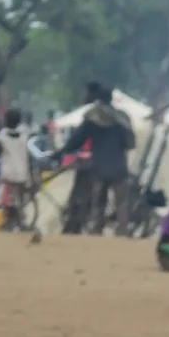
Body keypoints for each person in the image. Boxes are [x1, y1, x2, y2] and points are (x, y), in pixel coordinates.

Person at [58, 83, 135, 234]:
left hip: (100, 167)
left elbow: (77, 140)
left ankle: (96, 232)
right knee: (122, 205)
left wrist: (60, 152)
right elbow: (130, 144)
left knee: (98, 203)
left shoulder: (93, 117)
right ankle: (123, 233)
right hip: (119, 167)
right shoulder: (122, 117)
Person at [0, 106, 35, 235]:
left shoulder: (2, 135)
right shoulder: (24, 135)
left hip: (9, 172)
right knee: (20, 199)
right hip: (22, 172)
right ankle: (20, 223)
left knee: (8, 200)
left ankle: (10, 223)